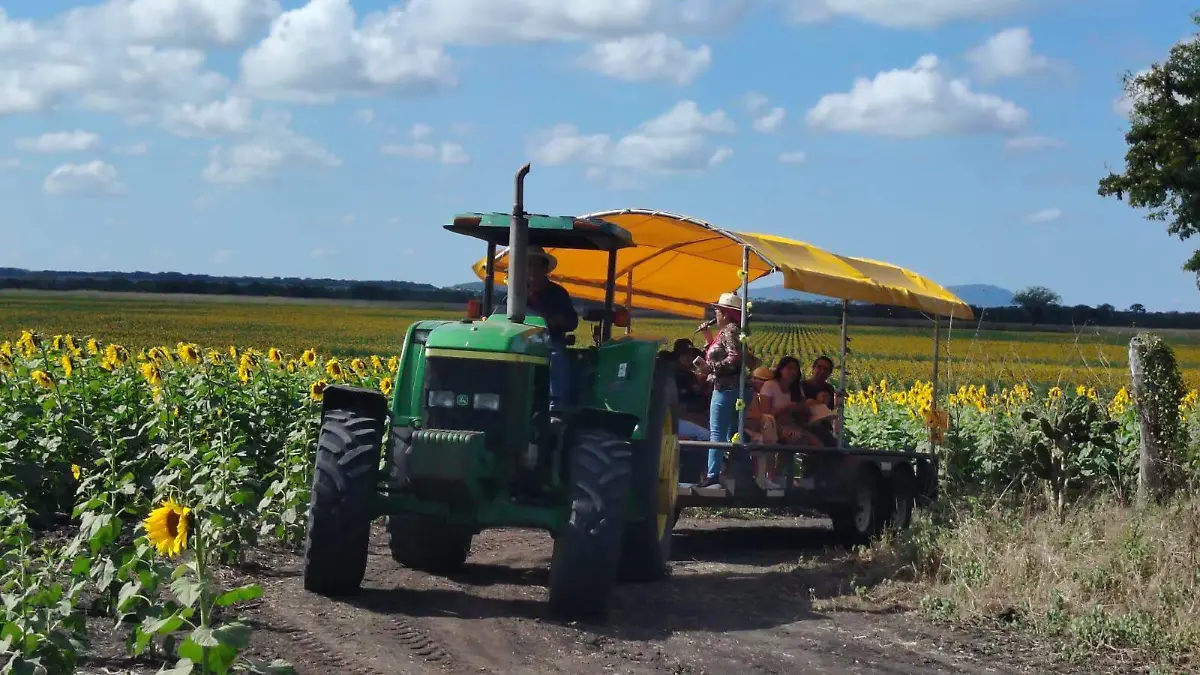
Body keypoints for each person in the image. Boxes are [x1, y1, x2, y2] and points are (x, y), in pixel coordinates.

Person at [693, 292, 747, 488]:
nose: (714, 315)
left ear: (725, 313)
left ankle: (713, 474)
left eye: (716, 311)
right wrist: (709, 339)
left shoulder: (729, 331)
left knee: (717, 432)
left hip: (726, 388)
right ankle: (732, 472)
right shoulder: (729, 331)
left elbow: (734, 358)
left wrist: (711, 369)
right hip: (729, 388)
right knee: (730, 432)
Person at [525, 246, 578, 412]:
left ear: (544, 268)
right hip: (521, 344)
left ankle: (556, 406)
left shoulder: (558, 293)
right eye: (529, 264)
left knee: (556, 354)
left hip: (549, 342)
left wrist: (555, 321)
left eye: (537, 265)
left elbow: (571, 321)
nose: (533, 269)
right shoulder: (515, 293)